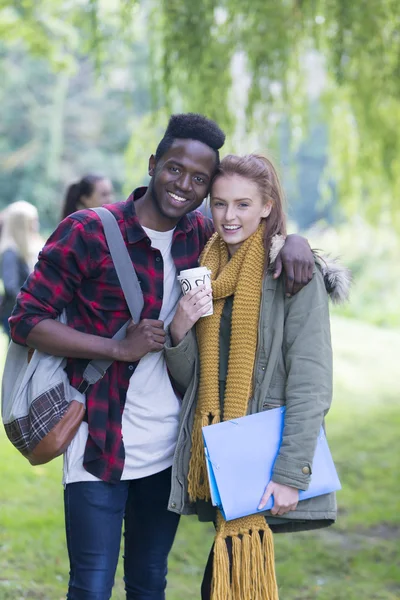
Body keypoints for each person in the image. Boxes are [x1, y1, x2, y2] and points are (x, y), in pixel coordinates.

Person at [9, 115, 315, 600]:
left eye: (199, 179)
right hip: (97, 438)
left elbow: (256, 235)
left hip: (169, 447)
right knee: (90, 585)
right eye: (174, 169)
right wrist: (115, 347)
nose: (184, 186)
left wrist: (292, 240)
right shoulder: (88, 231)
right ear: (153, 164)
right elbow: (26, 320)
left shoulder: (204, 238)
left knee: (150, 581)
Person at [165, 154, 350, 599]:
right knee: (223, 574)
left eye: (243, 205)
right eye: (220, 204)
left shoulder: (293, 272)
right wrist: (179, 330)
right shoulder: (204, 270)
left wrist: (291, 473)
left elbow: (311, 383)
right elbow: (192, 379)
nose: (229, 217)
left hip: (260, 454)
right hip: (217, 449)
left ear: (267, 206)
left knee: (233, 576)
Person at [0, 201, 43, 338]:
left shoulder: (23, 249)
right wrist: (34, 303)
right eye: (33, 221)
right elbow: (11, 286)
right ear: (22, 223)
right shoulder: (10, 252)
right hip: (15, 313)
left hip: (24, 312)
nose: (36, 225)